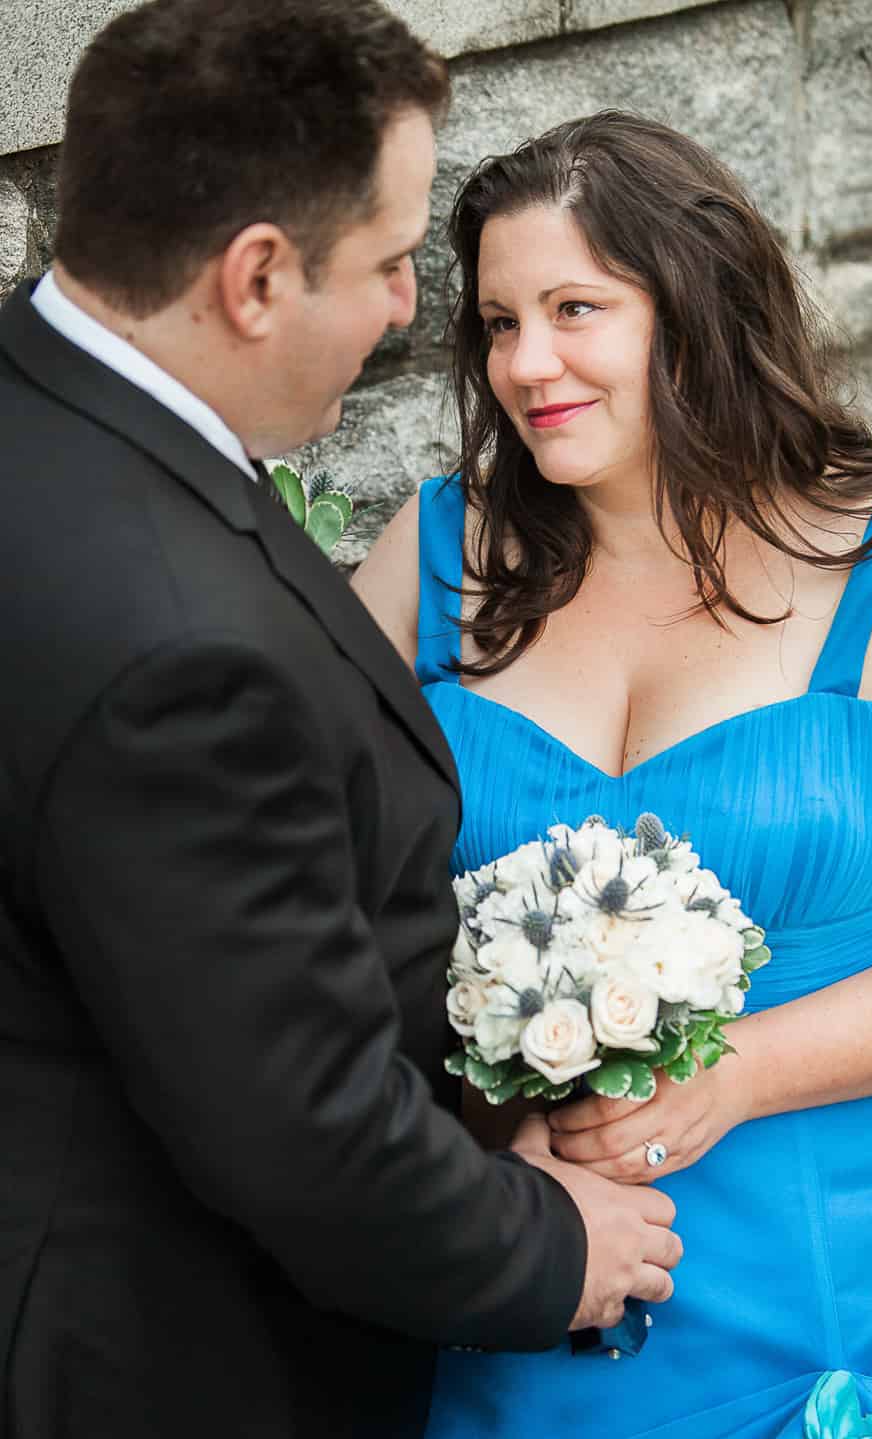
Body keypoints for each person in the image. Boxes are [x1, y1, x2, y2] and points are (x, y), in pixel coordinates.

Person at [0, 5, 680, 1436]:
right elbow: (296, 1125)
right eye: (387, 265)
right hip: (162, 1357)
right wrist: (558, 1244)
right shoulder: (172, 643)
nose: (401, 312)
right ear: (255, 276)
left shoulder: (49, 413)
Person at [350, 110, 872, 1437]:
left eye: (576, 307)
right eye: (501, 322)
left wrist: (736, 1066)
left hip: (845, 1302)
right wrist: (475, 1102)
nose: (528, 362)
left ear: (693, 309)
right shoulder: (432, 553)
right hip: (531, 1283)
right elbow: (315, 910)